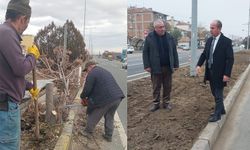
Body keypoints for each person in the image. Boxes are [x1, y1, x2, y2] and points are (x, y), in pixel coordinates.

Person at [0, 0, 40, 149]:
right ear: (22, 19)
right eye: (26, 23)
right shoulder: (7, 33)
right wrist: (32, 56)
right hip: (6, 108)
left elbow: (7, 73)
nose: (24, 29)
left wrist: (28, 86)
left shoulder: (3, 32)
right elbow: (20, 68)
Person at [196, 20, 234, 122]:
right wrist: (199, 64)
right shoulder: (209, 40)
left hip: (221, 73)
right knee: (214, 92)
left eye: (212, 28)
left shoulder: (226, 41)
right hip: (210, 71)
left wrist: (227, 74)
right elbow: (204, 54)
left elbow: (230, 59)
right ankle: (221, 110)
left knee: (218, 94)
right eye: (210, 27)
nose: (210, 30)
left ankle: (217, 115)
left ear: (219, 28)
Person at [80, 61, 125, 142]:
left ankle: (87, 132)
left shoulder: (92, 73)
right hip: (117, 97)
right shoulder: (104, 71)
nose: (87, 72)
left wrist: (82, 97)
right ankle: (108, 135)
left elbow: (87, 89)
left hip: (106, 99)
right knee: (109, 116)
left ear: (90, 67)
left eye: (86, 70)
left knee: (94, 114)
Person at [143, 19, 179, 112]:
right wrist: (147, 65)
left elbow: (174, 52)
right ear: (155, 28)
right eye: (160, 27)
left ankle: (166, 103)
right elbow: (145, 52)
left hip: (168, 67)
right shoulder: (149, 38)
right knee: (156, 86)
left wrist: (176, 64)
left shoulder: (170, 37)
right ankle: (156, 104)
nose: (163, 29)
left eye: (163, 27)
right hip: (155, 67)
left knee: (168, 86)